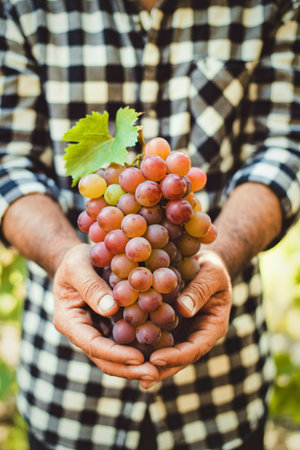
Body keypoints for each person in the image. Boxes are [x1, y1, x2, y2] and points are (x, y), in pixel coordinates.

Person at [0, 0, 299, 448]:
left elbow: (283, 148)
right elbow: (8, 161)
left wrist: (225, 252)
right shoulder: (22, 6)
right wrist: (62, 255)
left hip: (221, 391)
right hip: (69, 394)